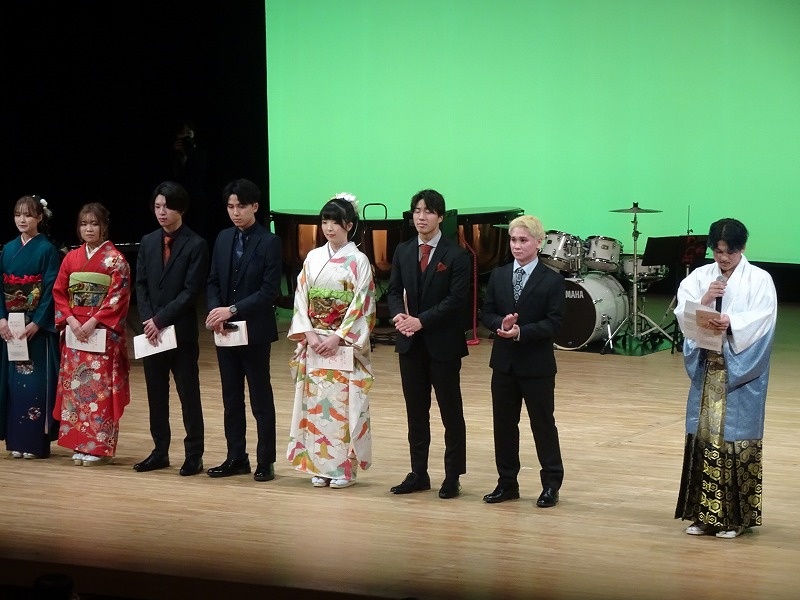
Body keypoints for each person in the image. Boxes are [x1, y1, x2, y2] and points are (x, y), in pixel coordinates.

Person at [674, 218, 777, 538]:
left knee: (735, 441)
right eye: (717, 251)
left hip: (738, 372)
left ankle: (735, 518)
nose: (723, 258)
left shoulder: (760, 279)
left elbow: (763, 320)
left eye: (729, 252)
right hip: (708, 369)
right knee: (704, 439)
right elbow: (683, 314)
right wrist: (704, 301)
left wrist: (730, 322)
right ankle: (703, 514)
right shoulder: (700, 277)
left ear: (742, 248)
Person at [287, 193, 376, 489]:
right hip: (315, 342)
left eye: (335, 222)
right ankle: (320, 467)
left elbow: (363, 304)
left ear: (349, 225)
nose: (328, 228)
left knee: (344, 405)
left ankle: (344, 470)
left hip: (343, 344)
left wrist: (338, 337)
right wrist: (310, 334)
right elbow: (301, 296)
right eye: (325, 221)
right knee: (315, 404)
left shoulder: (359, 261)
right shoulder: (313, 257)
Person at [387, 189, 470, 499]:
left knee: (451, 412)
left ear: (440, 217)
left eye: (428, 211)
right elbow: (393, 291)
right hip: (410, 344)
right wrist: (398, 316)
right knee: (416, 413)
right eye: (417, 211)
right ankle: (418, 473)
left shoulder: (456, 255)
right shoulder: (403, 250)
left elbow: (456, 300)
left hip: (443, 345)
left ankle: (452, 476)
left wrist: (421, 321)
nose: (421, 217)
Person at [480, 215, 566, 508]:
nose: (517, 246)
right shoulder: (499, 275)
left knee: (543, 425)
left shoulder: (552, 280)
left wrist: (521, 332)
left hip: (537, 366)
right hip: (504, 364)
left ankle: (551, 484)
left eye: (523, 240)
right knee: (504, 425)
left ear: (538, 243)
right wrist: (500, 325)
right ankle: (507, 483)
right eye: (513, 240)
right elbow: (487, 312)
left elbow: (555, 322)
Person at [205, 178, 282, 482]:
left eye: (241, 206)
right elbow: (213, 280)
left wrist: (233, 310)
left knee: (260, 399)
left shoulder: (269, 241)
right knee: (231, 398)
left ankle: (266, 461)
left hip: (255, 331)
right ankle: (236, 457)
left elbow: (268, 291)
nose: (235, 212)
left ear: (255, 207)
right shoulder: (223, 238)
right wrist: (216, 312)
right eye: (230, 206)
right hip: (225, 331)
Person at [133, 181, 209, 476]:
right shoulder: (148, 241)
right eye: (157, 207)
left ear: (181, 209)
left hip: (180, 332)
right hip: (152, 332)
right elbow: (141, 284)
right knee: (156, 394)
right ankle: (159, 451)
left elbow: (191, 291)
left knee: (188, 395)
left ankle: (194, 454)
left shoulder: (196, 244)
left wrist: (160, 319)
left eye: (167, 207)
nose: (161, 212)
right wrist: (148, 319)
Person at [52, 203, 131, 465]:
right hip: (76, 332)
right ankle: (78, 443)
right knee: (76, 388)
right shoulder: (71, 258)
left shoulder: (116, 260)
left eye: (94, 224)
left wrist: (94, 321)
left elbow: (118, 296)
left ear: (104, 227)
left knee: (99, 391)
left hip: (101, 334)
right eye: (84, 224)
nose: (89, 229)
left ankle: (98, 447)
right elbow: (59, 292)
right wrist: (71, 320)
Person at [0, 195, 61, 459]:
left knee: (36, 384)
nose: (22, 219)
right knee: (13, 384)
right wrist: (1, 319)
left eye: (28, 214)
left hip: (36, 328)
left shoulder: (47, 249)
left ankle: (35, 442)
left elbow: (51, 289)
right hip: (12, 326)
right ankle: (16, 441)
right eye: (18, 214)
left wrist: (38, 322)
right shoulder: (7, 249)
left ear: (39, 217)